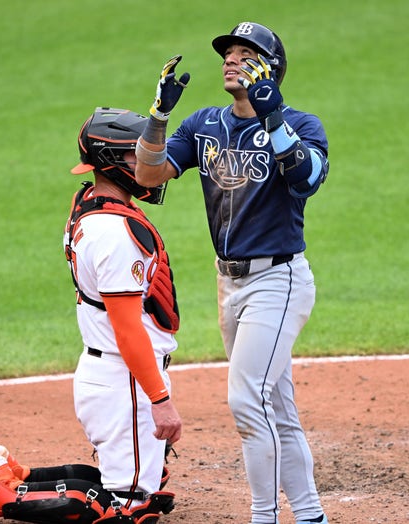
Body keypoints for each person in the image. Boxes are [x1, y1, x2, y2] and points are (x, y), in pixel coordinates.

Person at [0, 107, 182, 524]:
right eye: (136, 156)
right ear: (110, 162)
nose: (148, 164)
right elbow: (127, 329)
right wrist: (160, 401)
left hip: (112, 376)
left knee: (143, 486)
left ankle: (15, 474)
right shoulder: (115, 234)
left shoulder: (90, 202)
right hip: (124, 378)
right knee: (130, 511)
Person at [134, 22, 330, 524]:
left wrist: (273, 117)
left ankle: (263, 516)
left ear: (271, 68)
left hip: (278, 281)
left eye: (246, 53)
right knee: (276, 407)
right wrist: (157, 119)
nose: (231, 59)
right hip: (230, 285)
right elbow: (148, 176)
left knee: (247, 400)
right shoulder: (204, 125)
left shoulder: (303, 126)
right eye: (229, 52)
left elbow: (306, 179)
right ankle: (309, 516)